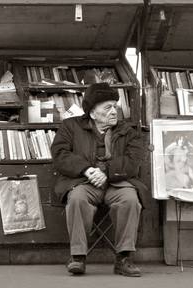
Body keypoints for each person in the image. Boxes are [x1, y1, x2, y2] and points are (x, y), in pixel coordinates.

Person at [51, 83, 146, 277]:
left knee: (129, 200)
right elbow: (60, 155)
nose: (114, 111)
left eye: (115, 106)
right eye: (108, 107)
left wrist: (105, 171)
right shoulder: (70, 127)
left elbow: (133, 162)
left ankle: (124, 258)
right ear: (92, 113)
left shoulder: (128, 131)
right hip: (84, 181)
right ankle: (78, 257)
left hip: (117, 182)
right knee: (76, 199)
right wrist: (86, 169)